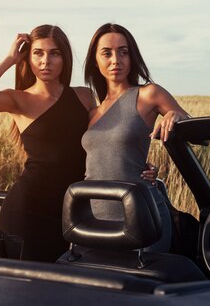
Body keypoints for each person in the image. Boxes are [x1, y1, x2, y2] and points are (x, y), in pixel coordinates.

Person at [0, 25, 156, 262]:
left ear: (65, 58)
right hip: (29, 208)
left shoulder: (84, 96)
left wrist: (139, 163)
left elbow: (105, 140)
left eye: (54, 53)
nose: (46, 61)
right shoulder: (20, 100)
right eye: (38, 53)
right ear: (28, 57)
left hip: (74, 208)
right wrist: (10, 59)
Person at [82, 23, 189, 252]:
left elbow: (197, 132)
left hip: (140, 215)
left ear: (132, 57)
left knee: (144, 284)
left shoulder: (148, 94)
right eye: (107, 53)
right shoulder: (92, 112)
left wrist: (175, 115)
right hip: (95, 216)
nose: (115, 60)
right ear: (95, 60)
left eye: (123, 52)